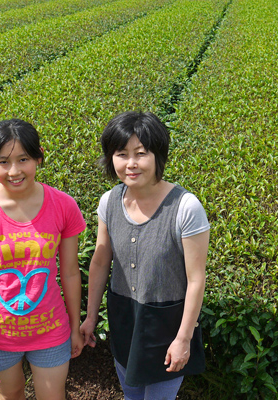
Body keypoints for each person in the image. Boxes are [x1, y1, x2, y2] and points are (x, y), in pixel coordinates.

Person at [0, 119, 85, 400]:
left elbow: (71, 273)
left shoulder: (63, 205)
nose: (14, 171)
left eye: (23, 159)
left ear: (39, 156)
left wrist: (75, 327)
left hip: (50, 330)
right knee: (11, 396)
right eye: (3, 162)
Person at [79, 111, 210, 400]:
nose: (131, 164)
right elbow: (100, 260)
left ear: (158, 156)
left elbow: (196, 279)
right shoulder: (109, 201)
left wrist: (183, 338)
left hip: (167, 324)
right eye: (122, 154)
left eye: (141, 153)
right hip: (125, 317)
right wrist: (90, 317)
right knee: (131, 394)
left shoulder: (186, 207)